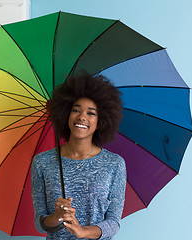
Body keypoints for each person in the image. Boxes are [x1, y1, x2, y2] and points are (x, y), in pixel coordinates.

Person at [31, 72, 126, 240]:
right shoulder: (42, 162)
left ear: (101, 121)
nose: (82, 116)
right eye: (76, 110)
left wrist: (82, 232)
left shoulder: (114, 164)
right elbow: (40, 223)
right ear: (65, 115)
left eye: (91, 113)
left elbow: (113, 222)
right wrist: (57, 216)